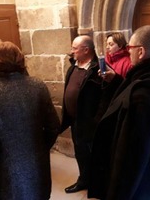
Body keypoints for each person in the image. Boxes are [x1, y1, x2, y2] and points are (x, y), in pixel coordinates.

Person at [88, 25, 150, 200]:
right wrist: (116, 81)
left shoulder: (143, 96)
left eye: (130, 48)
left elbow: (132, 155)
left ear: (141, 52)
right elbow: (131, 89)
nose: (128, 52)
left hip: (136, 184)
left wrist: (118, 194)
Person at [0, 41, 60, 200]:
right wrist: (39, 147)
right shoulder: (38, 86)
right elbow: (54, 126)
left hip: (8, 171)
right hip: (37, 165)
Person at [61, 35, 118, 194]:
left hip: (91, 121)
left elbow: (106, 97)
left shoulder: (98, 69)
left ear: (86, 50)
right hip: (75, 120)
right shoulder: (74, 66)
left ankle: (100, 185)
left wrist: (96, 120)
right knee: (80, 152)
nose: (71, 51)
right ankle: (84, 180)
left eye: (74, 48)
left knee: (95, 154)